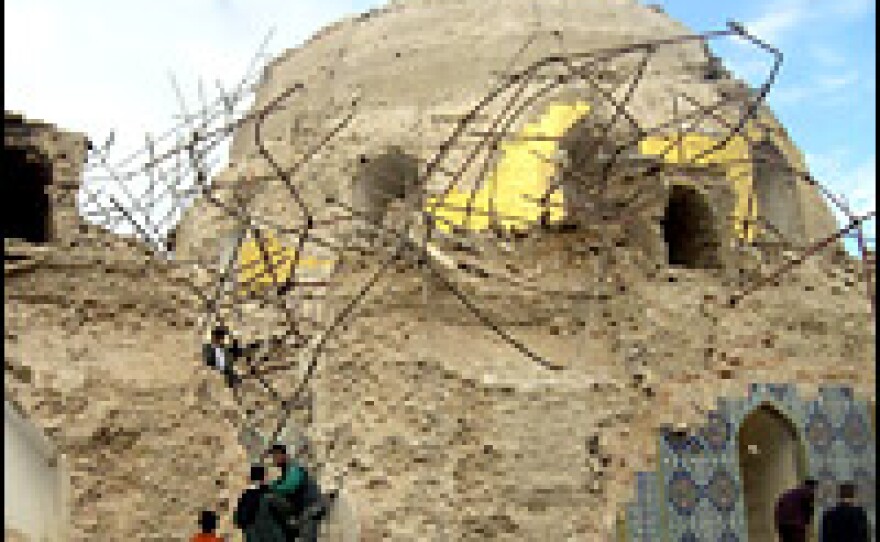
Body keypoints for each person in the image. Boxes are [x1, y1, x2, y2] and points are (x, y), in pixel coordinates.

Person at [266, 444, 324, 542]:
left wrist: (271, 488)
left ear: (284, 455)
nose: (273, 459)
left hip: (309, 509)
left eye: (275, 456)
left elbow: (289, 486)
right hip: (302, 510)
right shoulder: (287, 470)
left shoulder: (294, 467)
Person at [234, 464, 287, 542]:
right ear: (264, 477)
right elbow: (284, 512)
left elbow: (238, 520)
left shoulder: (245, 497)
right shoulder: (270, 494)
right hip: (271, 534)